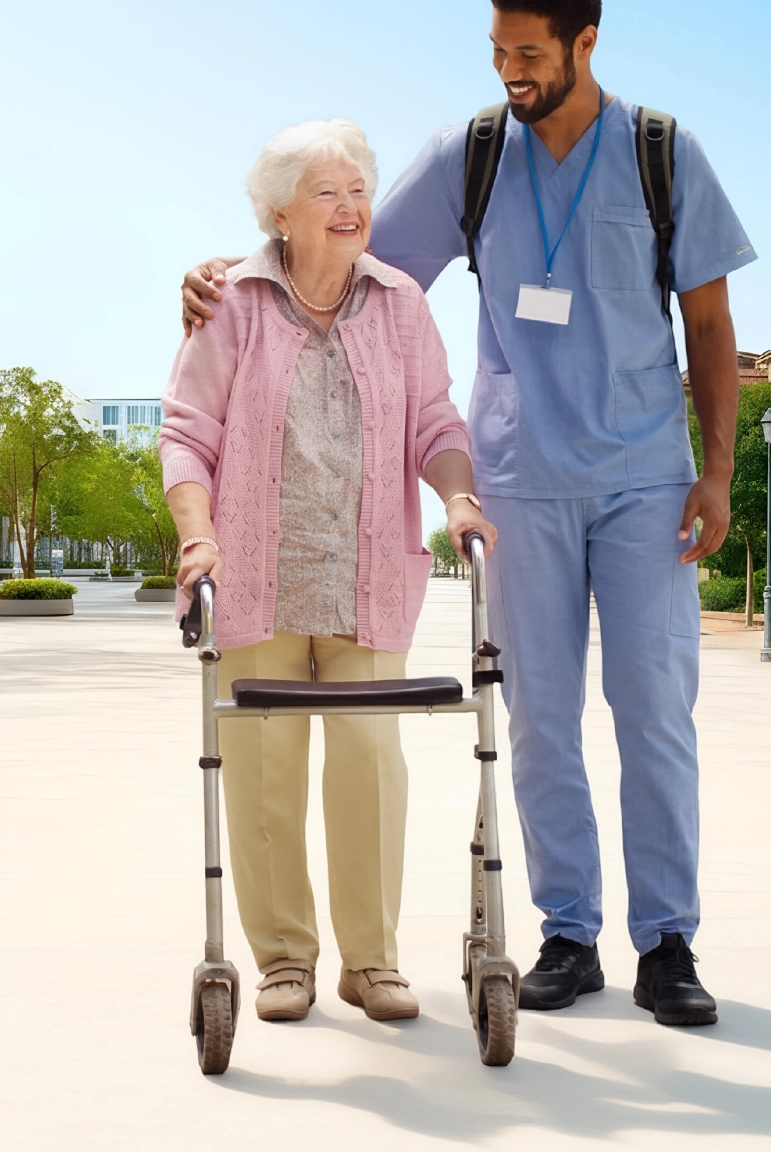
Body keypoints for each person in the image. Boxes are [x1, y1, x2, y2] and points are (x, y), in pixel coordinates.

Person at [179, 0, 750, 1027]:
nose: (509, 72)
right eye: (497, 52)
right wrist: (224, 273)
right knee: (536, 716)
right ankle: (568, 928)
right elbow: (338, 252)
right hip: (518, 478)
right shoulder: (471, 155)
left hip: (643, 479)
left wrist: (717, 469)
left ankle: (668, 940)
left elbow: (712, 326)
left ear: (586, 43)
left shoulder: (665, 154)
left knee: (654, 713)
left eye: (528, 53)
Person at [160, 118, 496, 1025]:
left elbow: (436, 421)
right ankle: (282, 960)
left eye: (358, 190)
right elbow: (187, 434)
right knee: (265, 769)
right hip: (256, 573)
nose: (351, 208)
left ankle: (372, 961)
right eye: (327, 192)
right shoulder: (228, 301)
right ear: (279, 211)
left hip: (366, 577)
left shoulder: (399, 304)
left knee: (368, 763)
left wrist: (458, 500)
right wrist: (197, 542)